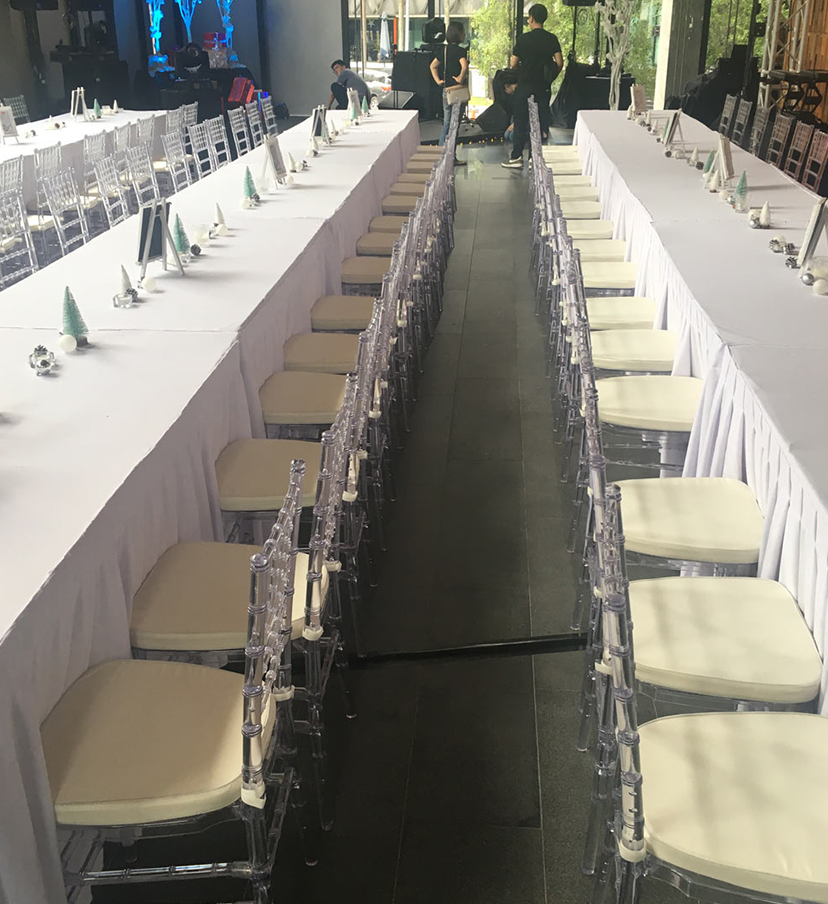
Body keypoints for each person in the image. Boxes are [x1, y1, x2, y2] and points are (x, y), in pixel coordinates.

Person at [501, 3, 563, 168]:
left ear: (531, 19)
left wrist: (522, 71)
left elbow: (514, 63)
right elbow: (559, 62)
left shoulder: (523, 39)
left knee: (520, 121)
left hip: (525, 86)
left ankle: (516, 157)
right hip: (542, 88)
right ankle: (535, 158)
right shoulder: (551, 39)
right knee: (540, 121)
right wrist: (550, 78)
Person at [429, 21, 469, 163]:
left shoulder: (444, 50)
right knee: (454, 125)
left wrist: (438, 80)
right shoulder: (461, 51)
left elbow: (433, 66)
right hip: (458, 92)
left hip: (446, 91)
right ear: (459, 34)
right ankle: (451, 156)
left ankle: (441, 155)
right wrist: (460, 78)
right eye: (463, 32)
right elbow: (464, 66)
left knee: (446, 123)